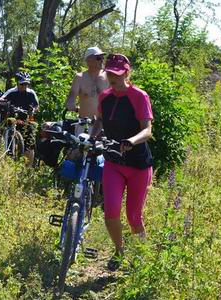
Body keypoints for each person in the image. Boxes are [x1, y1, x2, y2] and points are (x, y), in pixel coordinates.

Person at [89, 54, 154, 271]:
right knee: (110, 214)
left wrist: (132, 141)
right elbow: (99, 121)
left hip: (138, 165)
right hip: (113, 162)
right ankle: (119, 250)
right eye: (108, 73)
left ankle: (143, 258)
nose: (111, 78)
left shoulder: (139, 96)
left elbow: (147, 129)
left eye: (116, 74)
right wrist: (92, 136)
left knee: (134, 217)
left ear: (127, 73)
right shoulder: (105, 97)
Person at [0, 72, 39, 165]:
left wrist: (33, 110)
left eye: (26, 84)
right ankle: (8, 154)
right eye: (22, 84)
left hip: (26, 120)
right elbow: (2, 98)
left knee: (30, 143)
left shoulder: (31, 93)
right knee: (9, 130)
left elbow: (37, 106)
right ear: (17, 83)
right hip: (13, 118)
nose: (24, 86)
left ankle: (28, 168)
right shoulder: (12, 91)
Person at [66, 46, 109, 135]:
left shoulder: (109, 77)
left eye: (102, 57)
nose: (102, 60)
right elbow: (70, 103)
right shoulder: (79, 78)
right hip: (84, 125)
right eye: (98, 58)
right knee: (80, 149)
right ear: (89, 60)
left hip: (104, 125)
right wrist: (75, 108)